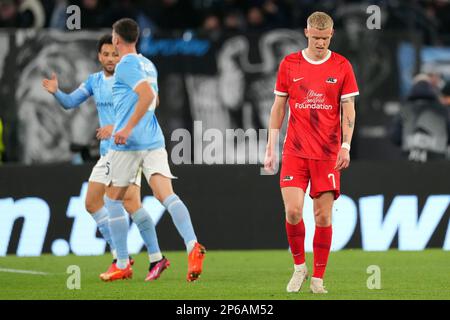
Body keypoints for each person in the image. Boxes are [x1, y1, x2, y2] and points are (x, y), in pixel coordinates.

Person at [42, 34, 168, 282]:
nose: (110, 58)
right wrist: (57, 92)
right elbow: (69, 103)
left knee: (129, 204)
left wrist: (115, 126)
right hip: (107, 154)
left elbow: (149, 104)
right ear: (99, 56)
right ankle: (132, 257)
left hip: (127, 149)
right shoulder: (94, 81)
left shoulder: (129, 76)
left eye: (114, 54)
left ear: (121, 54)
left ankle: (139, 258)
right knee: (94, 203)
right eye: (106, 54)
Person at [101, 18, 205, 282]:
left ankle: (122, 263)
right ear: (137, 38)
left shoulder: (125, 64)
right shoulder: (148, 63)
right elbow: (154, 100)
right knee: (166, 195)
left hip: (129, 143)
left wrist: (125, 127)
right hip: (154, 139)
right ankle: (192, 245)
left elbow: (147, 96)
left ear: (116, 39)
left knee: (112, 199)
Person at [264, 11, 358, 294]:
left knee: (323, 217)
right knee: (293, 211)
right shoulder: (290, 64)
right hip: (295, 150)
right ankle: (298, 268)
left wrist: (346, 145)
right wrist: (271, 144)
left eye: (325, 38)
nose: (320, 43)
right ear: (306, 33)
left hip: (327, 153)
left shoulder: (342, 66)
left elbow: (348, 110)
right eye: (316, 38)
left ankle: (318, 277)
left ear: (332, 35)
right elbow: (279, 107)